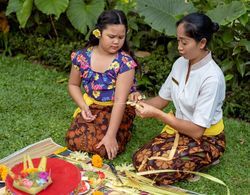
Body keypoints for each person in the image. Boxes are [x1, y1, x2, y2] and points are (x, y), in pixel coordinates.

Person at [130, 13, 226, 185]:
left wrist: (158, 115)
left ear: (202, 43)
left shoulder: (212, 78)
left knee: (156, 169)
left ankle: (209, 157)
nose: (179, 47)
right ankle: (189, 162)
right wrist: (138, 102)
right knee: (139, 159)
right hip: (179, 129)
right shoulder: (180, 63)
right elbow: (161, 99)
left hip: (206, 138)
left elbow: (197, 131)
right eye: (178, 41)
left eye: (184, 42)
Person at [65, 10, 139, 160]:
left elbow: (120, 101)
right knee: (73, 140)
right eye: (111, 37)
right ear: (98, 33)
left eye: (121, 37)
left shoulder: (124, 63)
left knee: (104, 150)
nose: (117, 42)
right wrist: (83, 107)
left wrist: (111, 136)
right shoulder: (82, 57)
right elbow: (73, 84)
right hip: (92, 105)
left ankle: (125, 128)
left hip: (116, 108)